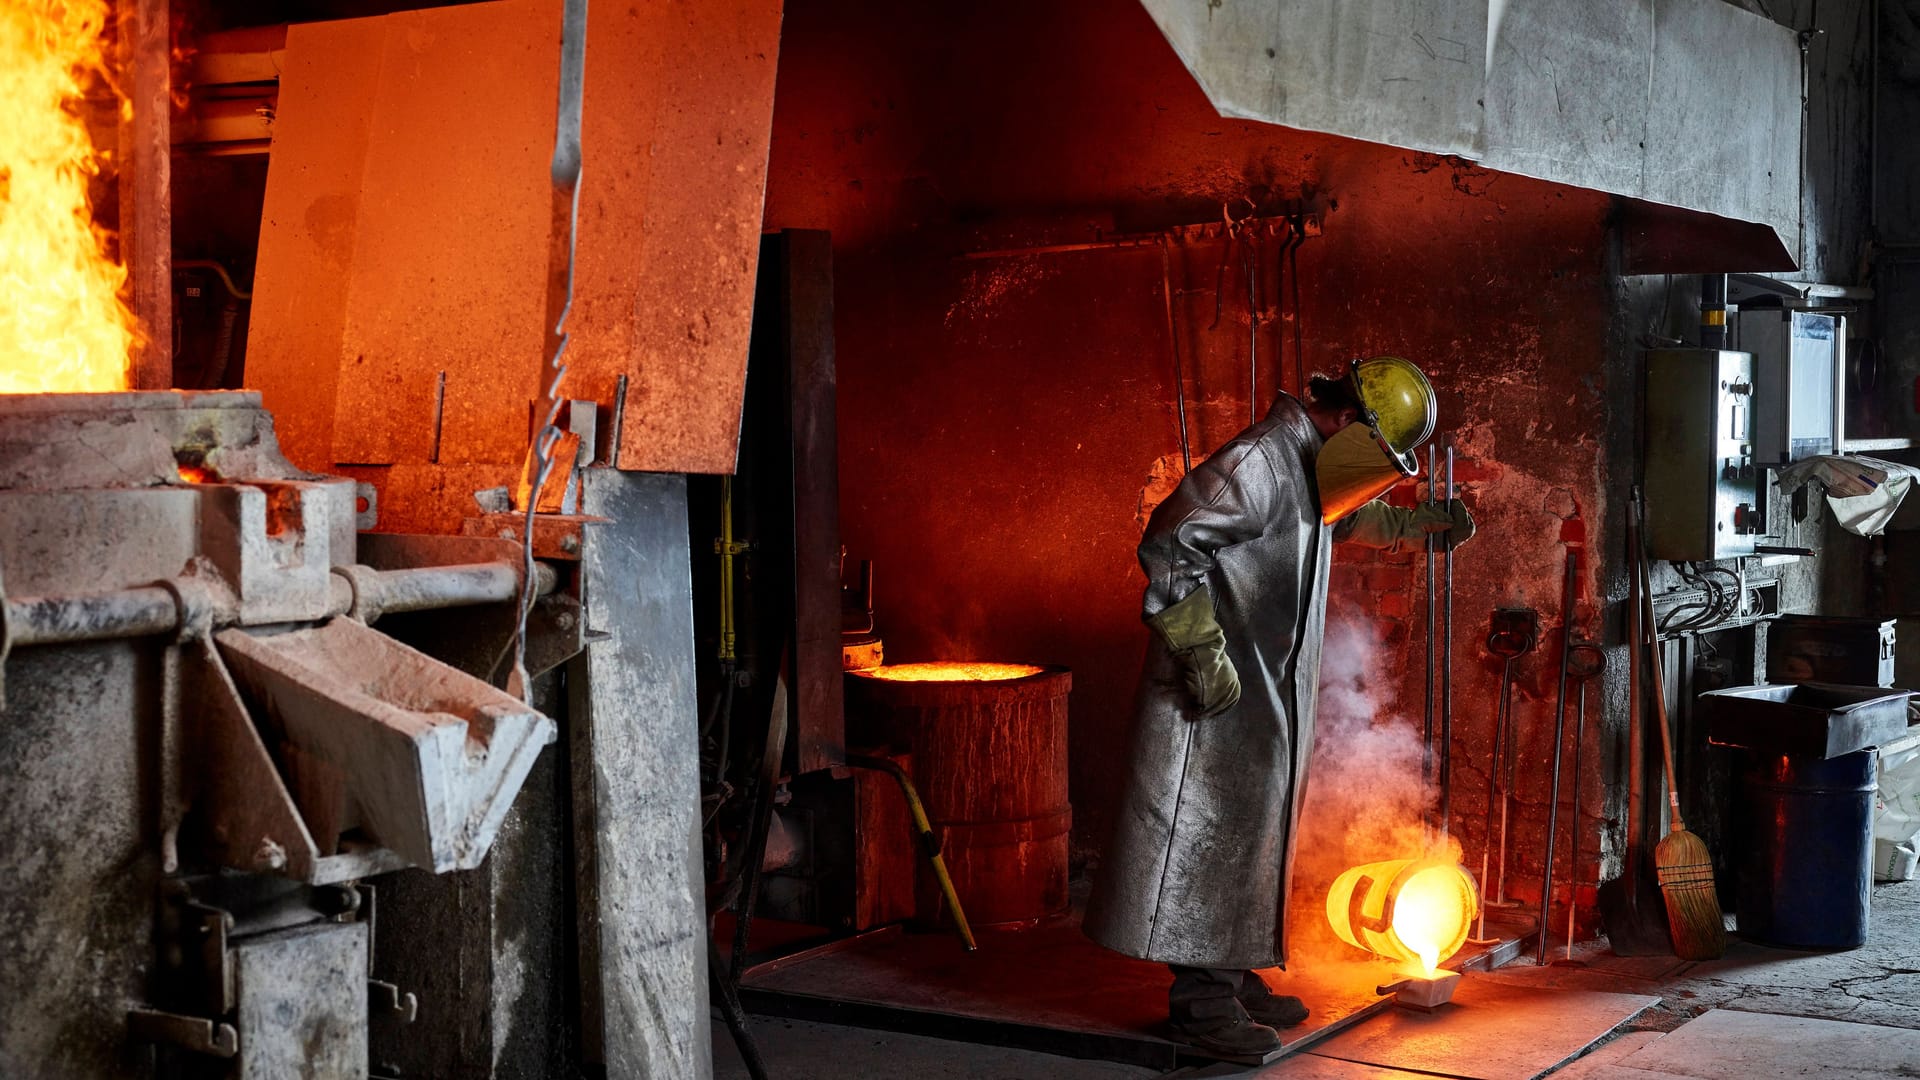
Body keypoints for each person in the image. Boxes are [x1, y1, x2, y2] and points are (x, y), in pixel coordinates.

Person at [1083, 357, 1475, 1057]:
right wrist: (1202, 654)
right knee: (1219, 834)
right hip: (1218, 681)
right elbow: (1173, 541)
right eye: (1379, 454)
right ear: (1350, 422)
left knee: (1255, 831)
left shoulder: (1309, 467)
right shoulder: (1262, 459)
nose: (1374, 470)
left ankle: (1230, 975)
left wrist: (1420, 529)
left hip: (1264, 683)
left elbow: (1343, 522)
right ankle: (1204, 1004)